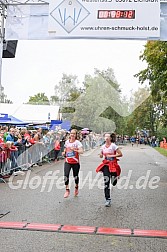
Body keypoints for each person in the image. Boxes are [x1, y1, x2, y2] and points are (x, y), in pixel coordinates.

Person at [96, 133, 123, 207]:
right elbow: (101, 155)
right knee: (106, 182)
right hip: (106, 165)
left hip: (113, 165)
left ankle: (115, 179)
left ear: (111, 138)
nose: (106, 138)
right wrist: (101, 155)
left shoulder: (113, 146)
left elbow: (120, 154)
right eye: (105, 137)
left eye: (108, 137)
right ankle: (107, 199)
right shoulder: (103, 146)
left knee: (113, 182)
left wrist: (112, 155)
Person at [62, 129, 83, 198]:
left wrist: (75, 150)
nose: (72, 135)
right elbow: (65, 149)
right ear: (70, 134)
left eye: (74, 133)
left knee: (75, 176)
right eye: (71, 133)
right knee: (66, 175)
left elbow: (81, 151)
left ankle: (76, 187)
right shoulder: (67, 142)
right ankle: (67, 190)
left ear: (76, 135)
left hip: (75, 162)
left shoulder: (77, 143)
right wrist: (64, 152)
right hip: (67, 161)